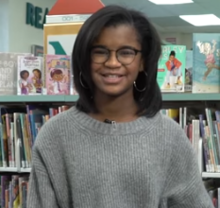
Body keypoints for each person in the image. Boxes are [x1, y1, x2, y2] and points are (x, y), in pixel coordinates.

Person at [27, 5, 214, 208]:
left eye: (126, 53)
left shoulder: (169, 136)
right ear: (85, 59)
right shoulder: (54, 136)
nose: (113, 63)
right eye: (100, 52)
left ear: (143, 61)